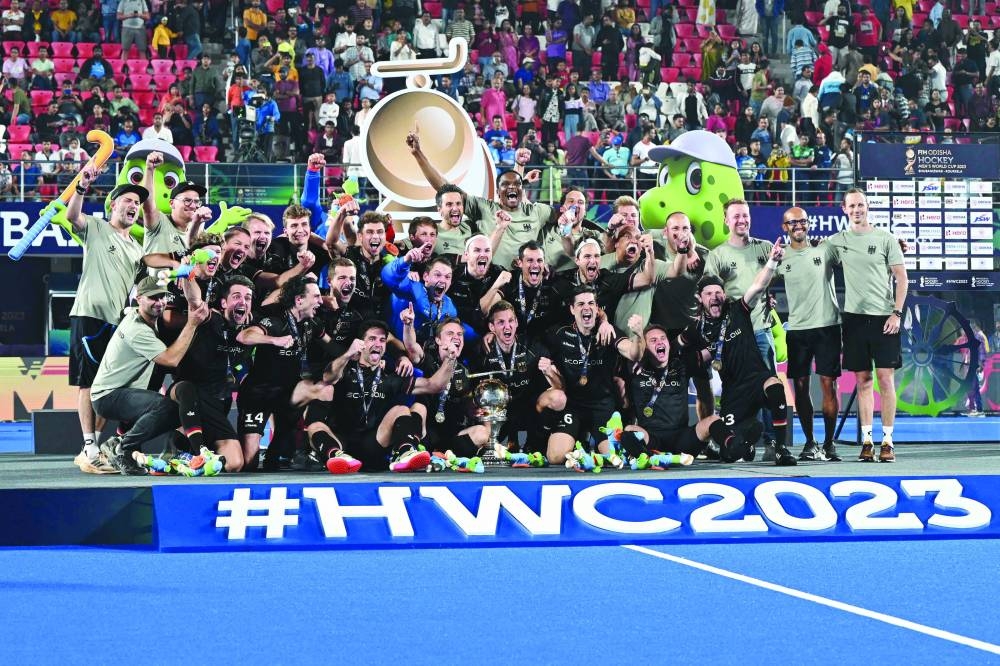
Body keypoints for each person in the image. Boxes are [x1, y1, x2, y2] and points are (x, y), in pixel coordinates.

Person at [64, 173, 147, 473]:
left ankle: (94, 448)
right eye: (128, 200)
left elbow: (140, 290)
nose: (133, 206)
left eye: (137, 203)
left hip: (117, 324)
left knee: (107, 387)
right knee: (87, 384)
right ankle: (88, 446)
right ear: (113, 205)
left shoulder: (138, 249)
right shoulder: (97, 227)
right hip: (88, 316)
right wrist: (82, 186)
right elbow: (72, 214)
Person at [90, 276, 210, 475]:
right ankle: (122, 447)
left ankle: (121, 445)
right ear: (139, 298)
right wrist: (192, 324)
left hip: (121, 391)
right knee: (166, 408)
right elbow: (171, 359)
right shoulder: (137, 330)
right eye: (153, 298)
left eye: (163, 297)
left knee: (167, 407)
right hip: (108, 396)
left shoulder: (142, 317)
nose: (160, 302)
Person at [304, 319, 458, 473]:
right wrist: (349, 354)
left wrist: (450, 359)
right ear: (360, 343)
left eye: (382, 340)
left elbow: (434, 385)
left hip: (374, 443)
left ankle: (405, 452)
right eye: (372, 339)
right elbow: (328, 377)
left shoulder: (389, 378)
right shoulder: (344, 369)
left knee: (401, 409)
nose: (378, 344)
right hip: (341, 443)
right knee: (314, 426)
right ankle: (338, 457)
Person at [680, 266, 797, 466]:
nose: (714, 297)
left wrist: (771, 263)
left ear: (724, 295)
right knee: (729, 454)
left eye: (718, 292)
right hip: (733, 392)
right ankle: (748, 443)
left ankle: (780, 448)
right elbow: (678, 349)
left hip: (757, 379)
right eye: (709, 293)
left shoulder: (737, 310)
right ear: (700, 298)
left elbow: (759, 286)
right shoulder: (695, 329)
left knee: (776, 387)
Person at [825, 189, 907, 462]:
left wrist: (896, 313)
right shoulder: (837, 242)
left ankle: (888, 441)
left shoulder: (886, 239)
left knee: (885, 379)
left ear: (867, 207)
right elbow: (811, 255)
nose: (857, 209)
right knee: (863, 381)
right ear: (844, 209)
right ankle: (868, 441)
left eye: (861, 204)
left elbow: (902, 278)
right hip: (854, 320)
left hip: (885, 317)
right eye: (852, 206)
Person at [617, 323, 760, 466]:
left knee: (712, 420)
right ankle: (648, 458)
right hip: (651, 439)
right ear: (645, 348)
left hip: (682, 440)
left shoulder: (682, 364)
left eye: (663, 338)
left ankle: (734, 446)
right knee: (629, 431)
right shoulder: (635, 369)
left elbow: (712, 347)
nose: (660, 342)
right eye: (653, 340)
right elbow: (630, 353)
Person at [705, 199, 782, 458]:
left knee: (770, 386)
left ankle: (773, 443)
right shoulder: (718, 255)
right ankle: (745, 440)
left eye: (745, 215)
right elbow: (711, 293)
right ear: (726, 220)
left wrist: (770, 297)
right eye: (736, 216)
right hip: (733, 337)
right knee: (737, 390)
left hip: (761, 330)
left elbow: (780, 275)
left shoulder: (766, 248)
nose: (742, 220)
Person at [408, 130, 552, 269]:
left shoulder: (537, 211)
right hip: (491, 282)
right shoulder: (484, 208)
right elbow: (445, 187)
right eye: (505, 185)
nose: (512, 188)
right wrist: (418, 155)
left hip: (527, 283)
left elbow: (564, 218)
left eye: (517, 185)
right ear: (497, 192)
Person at [537, 286, 645, 464]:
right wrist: (548, 369)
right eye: (580, 304)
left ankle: (590, 446)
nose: (586, 308)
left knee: (615, 458)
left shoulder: (608, 331)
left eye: (591, 303)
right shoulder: (559, 333)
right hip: (573, 406)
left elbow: (634, 354)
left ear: (597, 309)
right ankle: (580, 441)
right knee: (555, 457)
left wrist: (639, 334)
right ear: (572, 309)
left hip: (602, 406)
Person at [236, 275, 324, 470]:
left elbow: (333, 348)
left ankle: (284, 450)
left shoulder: (312, 325)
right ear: (299, 300)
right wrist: (274, 340)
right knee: (248, 462)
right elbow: (244, 335)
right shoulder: (276, 321)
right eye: (316, 296)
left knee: (322, 387)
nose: (321, 301)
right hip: (258, 395)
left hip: (285, 396)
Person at [776, 207, 842, 461]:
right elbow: (764, 280)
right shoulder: (781, 257)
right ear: (785, 227)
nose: (798, 226)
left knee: (828, 385)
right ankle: (810, 443)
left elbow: (855, 256)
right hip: (797, 330)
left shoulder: (824, 249)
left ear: (808, 224)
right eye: (793, 223)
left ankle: (829, 443)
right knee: (801, 388)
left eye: (802, 221)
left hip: (827, 326)